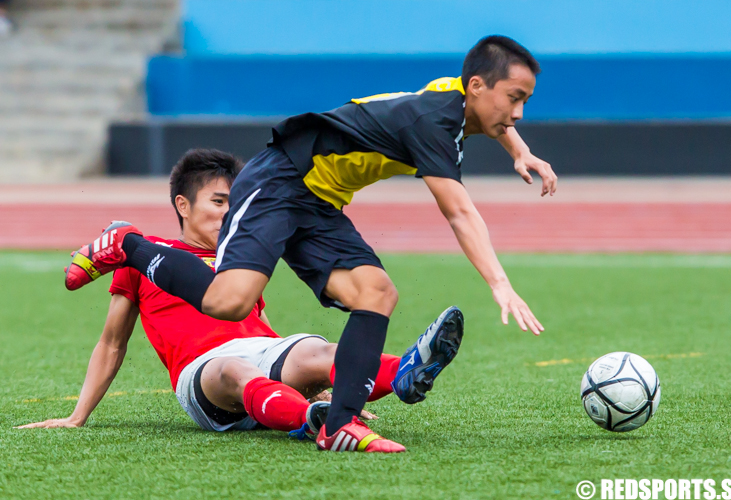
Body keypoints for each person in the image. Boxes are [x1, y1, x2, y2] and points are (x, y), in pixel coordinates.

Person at [63, 35, 554, 452]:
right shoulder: (431, 123)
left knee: (377, 292)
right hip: (280, 179)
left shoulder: (451, 97)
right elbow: (458, 210)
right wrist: (500, 282)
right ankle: (128, 243)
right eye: (514, 98)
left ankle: (339, 424)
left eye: (526, 99)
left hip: (320, 203)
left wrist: (521, 150)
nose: (518, 112)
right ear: (477, 86)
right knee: (228, 302)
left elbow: (491, 119)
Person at [19, 150, 465, 447]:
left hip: (263, 354)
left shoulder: (244, 259)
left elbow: (260, 330)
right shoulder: (150, 256)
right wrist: (78, 416)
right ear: (182, 205)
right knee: (236, 368)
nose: (228, 213)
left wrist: (327, 381)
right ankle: (315, 421)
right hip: (203, 373)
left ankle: (402, 375)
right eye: (217, 201)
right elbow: (112, 343)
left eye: (235, 203)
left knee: (318, 348)